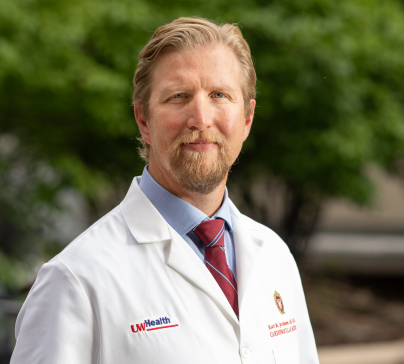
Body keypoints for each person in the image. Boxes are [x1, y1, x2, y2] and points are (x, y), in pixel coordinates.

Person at [11, 17, 319, 364]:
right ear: (143, 120)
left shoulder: (275, 257)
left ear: (247, 118)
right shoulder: (76, 280)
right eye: (178, 96)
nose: (200, 118)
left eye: (219, 94)